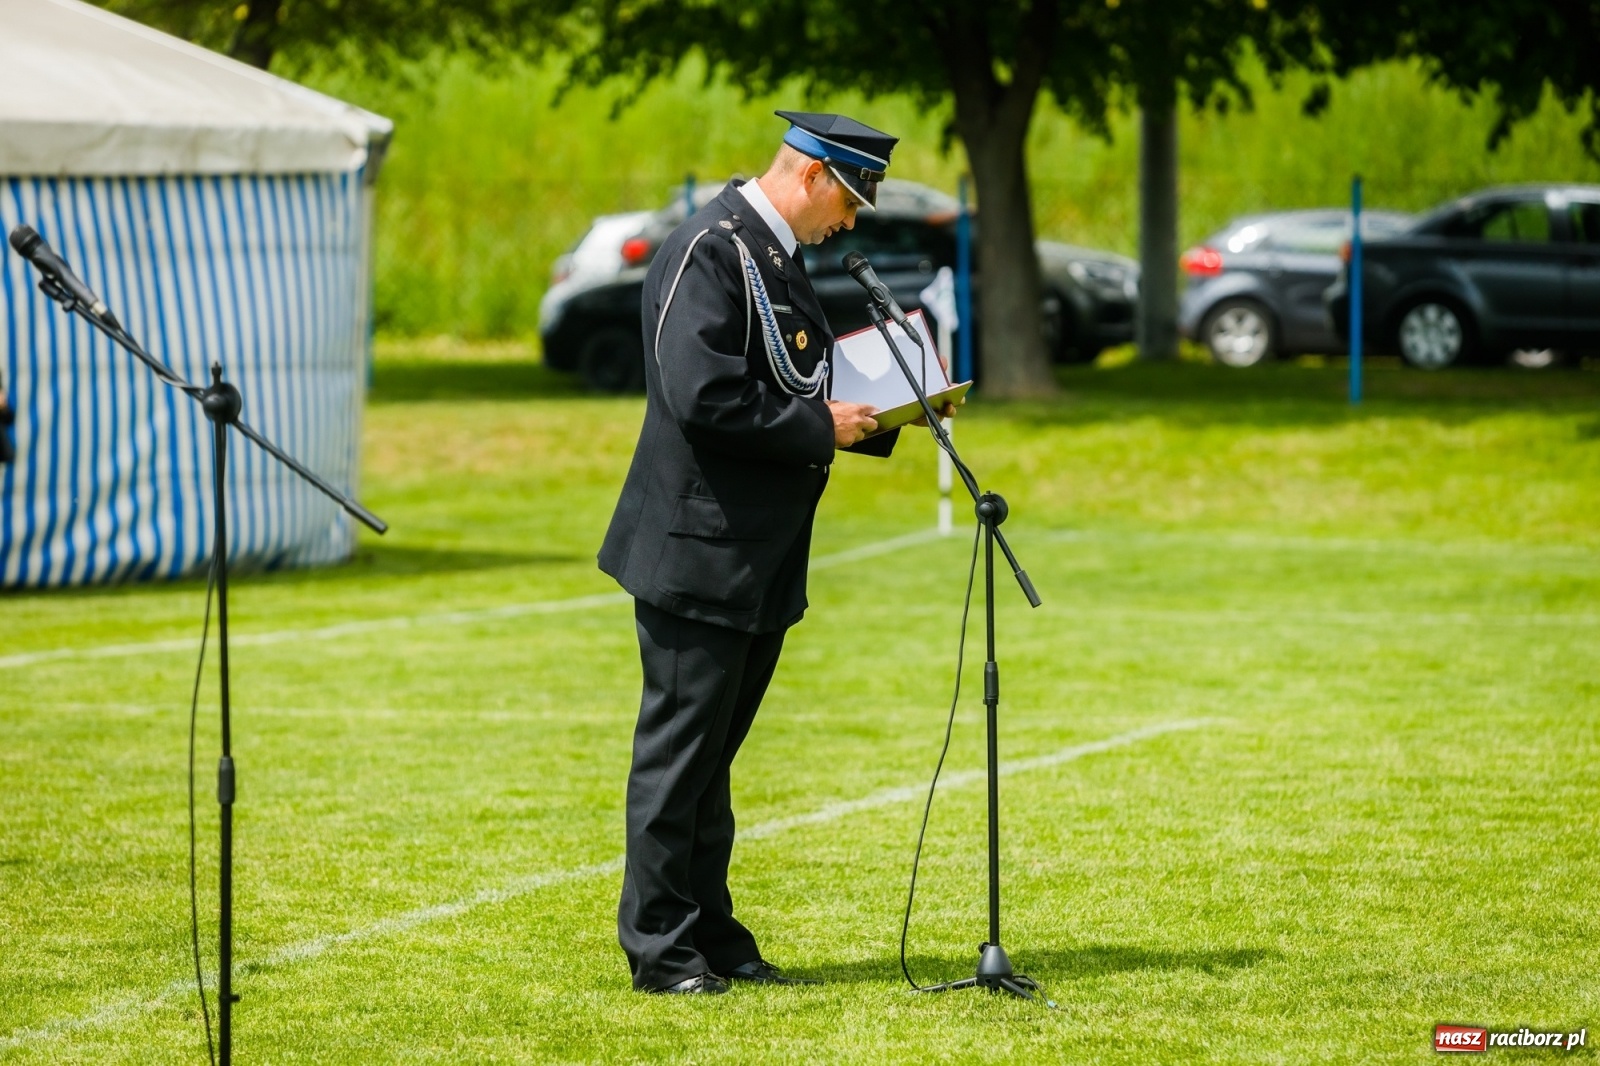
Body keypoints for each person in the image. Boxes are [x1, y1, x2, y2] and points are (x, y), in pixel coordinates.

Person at [598, 110, 954, 995]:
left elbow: (806, 377)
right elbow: (702, 393)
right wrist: (819, 425)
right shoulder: (710, 249)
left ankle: (711, 933)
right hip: (697, 549)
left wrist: (902, 408)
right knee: (679, 758)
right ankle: (661, 949)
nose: (853, 220)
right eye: (851, 199)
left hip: (754, 552)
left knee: (712, 761)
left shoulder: (775, 257)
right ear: (813, 176)